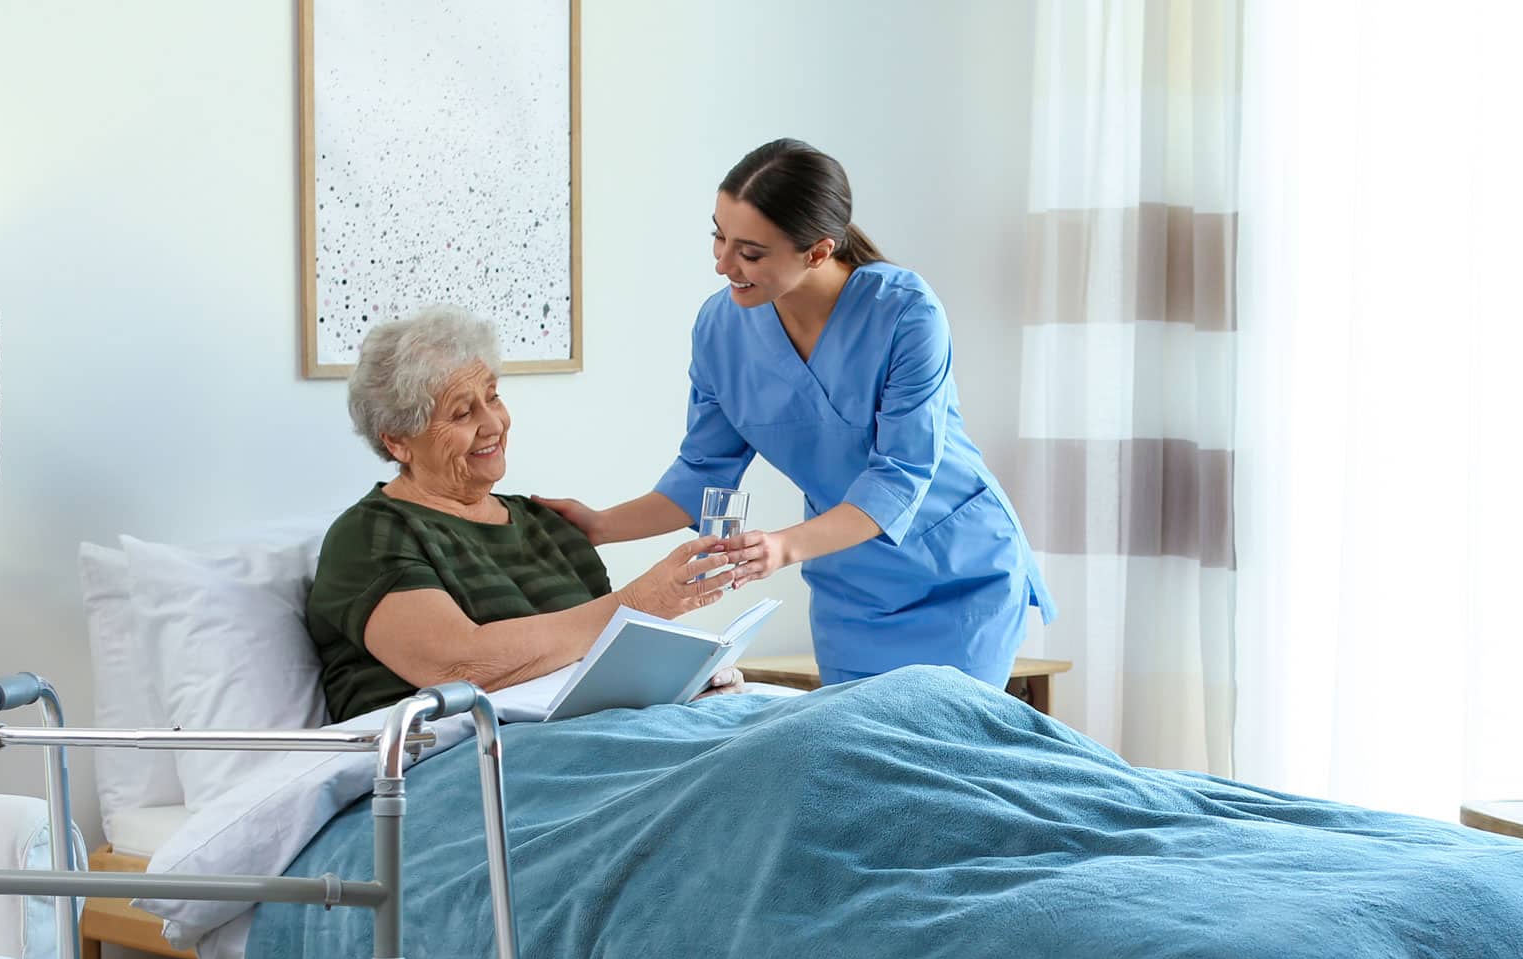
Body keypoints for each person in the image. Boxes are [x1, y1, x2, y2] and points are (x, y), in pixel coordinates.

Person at [536, 138, 1055, 689]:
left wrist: (781, 547)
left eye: (750, 252)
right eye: (718, 235)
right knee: (858, 761)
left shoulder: (905, 314)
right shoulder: (721, 330)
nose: (722, 263)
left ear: (817, 251)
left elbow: (898, 479)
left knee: (945, 755)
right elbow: (702, 474)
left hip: (958, 576)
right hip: (850, 587)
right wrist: (599, 526)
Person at [307, 304, 744, 723]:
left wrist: (680, 682)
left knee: (798, 728)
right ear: (398, 441)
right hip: (461, 760)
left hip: (585, 738)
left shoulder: (548, 527)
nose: (493, 423)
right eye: (462, 412)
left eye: (493, 397)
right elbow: (461, 665)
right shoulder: (371, 534)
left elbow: (602, 666)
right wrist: (637, 604)